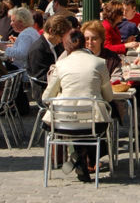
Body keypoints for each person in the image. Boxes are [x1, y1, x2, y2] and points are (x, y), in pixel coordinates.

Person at [42, 29, 113, 182]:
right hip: (94, 123)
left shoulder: (61, 65)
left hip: (63, 122)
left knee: (75, 122)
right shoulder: (99, 63)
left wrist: (62, 95)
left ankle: (78, 157)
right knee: (86, 122)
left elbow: (47, 97)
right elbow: (109, 96)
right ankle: (79, 157)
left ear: (66, 46)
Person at [27, 14, 71, 101]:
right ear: (51, 31)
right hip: (44, 90)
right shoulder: (37, 49)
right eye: (61, 37)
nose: (62, 40)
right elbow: (40, 76)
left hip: (57, 85)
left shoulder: (56, 45)